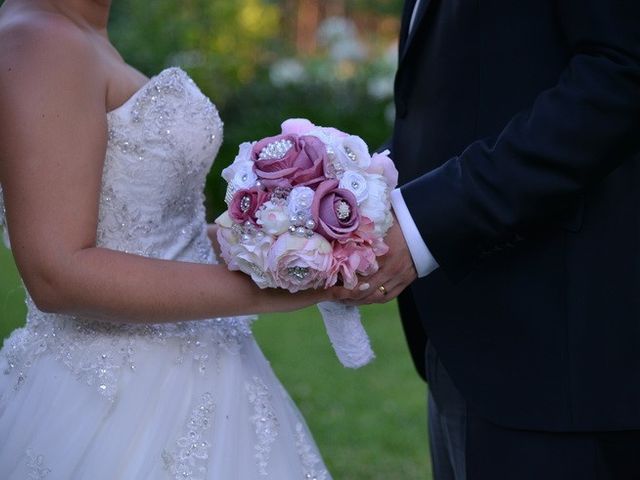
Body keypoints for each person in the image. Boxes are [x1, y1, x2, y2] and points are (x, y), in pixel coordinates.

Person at [0, 1, 341, 478]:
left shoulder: (85, 32)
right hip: (114, 397)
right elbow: (57, 272)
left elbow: (156, 237)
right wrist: (268, 291)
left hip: (205, 371)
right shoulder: (41, 41)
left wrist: (279, 248)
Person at [350, 0, 640, 478]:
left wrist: (428, 222)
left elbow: (622, 70)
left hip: (559, 343)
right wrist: (352, 190)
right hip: (463, 327)